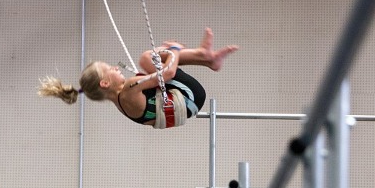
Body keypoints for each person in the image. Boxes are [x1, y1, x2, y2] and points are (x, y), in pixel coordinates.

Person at [38, 27, 238, 128]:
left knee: (149, 60)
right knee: (146, 58)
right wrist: (174, 50)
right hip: (190, 97)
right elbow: (168, 74)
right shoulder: (129, 89)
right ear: (105, 83)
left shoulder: (121, 100)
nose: (115, 67)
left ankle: (206, 58)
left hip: (185, 105)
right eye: (110, 69)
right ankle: (204, 56)